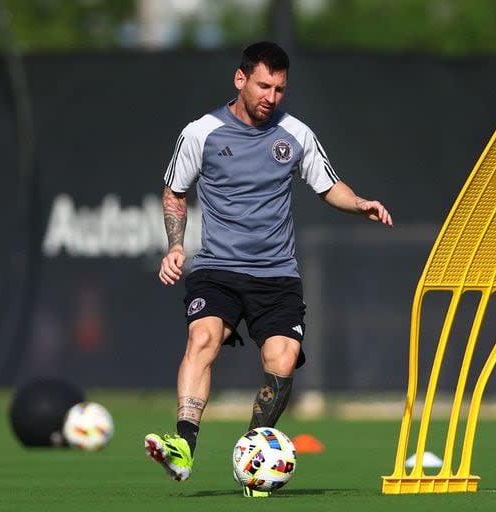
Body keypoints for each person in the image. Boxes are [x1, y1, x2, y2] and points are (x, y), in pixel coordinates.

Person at [143, 41, 393, 495]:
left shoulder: (295, 134)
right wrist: (175, 246)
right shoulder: (201, 132)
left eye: (279, 89)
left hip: (277, 275)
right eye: (263, 85)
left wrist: (360, 204)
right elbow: (174, 193)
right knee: (203, 336)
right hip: (217, 267)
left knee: (283, 360)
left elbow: (329, 186)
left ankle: (254, 455)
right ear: (241, 80)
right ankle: (183, 444)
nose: (271, 97)